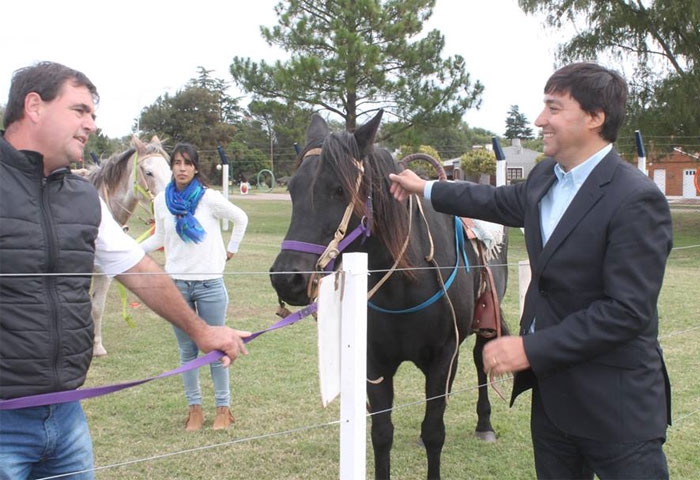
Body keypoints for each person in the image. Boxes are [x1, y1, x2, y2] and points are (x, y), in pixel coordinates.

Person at [389, 62, 672, 479]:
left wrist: (528, 349)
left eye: (554, 109)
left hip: (618, 409)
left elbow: (627, 311)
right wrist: (427, 188)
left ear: (595, 118)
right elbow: (494, 201)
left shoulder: (636, 200)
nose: (541, 120)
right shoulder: (545, 177)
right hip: (554, 403)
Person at [0, 61, 250, 479]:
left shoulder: (82, 197)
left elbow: (139, 269)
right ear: (34, 106)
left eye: (94, 114)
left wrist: (203, 331)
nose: (92, 124)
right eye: (80, 110)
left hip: (66, 417)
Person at [140, 142, 249, 431]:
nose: (182, 168)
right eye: (177, 162)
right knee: (187, 352)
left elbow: (241, 218)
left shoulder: (209, 198)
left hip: (210, 285)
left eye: (187, 163)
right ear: (172, 166)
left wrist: (232, 249)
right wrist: (133, 250)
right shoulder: (162, 200)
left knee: (216, 349)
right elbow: (159, 237)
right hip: (176, 286)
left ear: (196, 167)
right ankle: (195, 410)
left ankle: (223, 410)